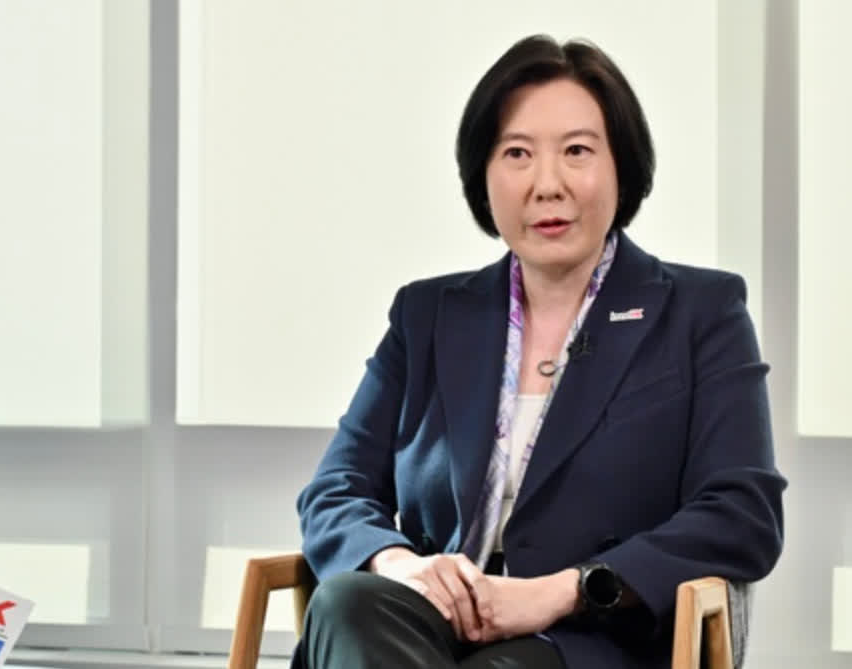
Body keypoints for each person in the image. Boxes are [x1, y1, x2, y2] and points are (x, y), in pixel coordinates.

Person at [292, 34, 786, 669]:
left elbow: (742, 514)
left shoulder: (700, 312)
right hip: (426, 631)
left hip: (587, 640)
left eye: (577, 151)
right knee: (347, 603)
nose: (547, 184)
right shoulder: (427, 315)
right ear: (483, 174)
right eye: (517, 153)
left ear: (622, 166)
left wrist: (563, 591)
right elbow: (335, 490)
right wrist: (398, 564)